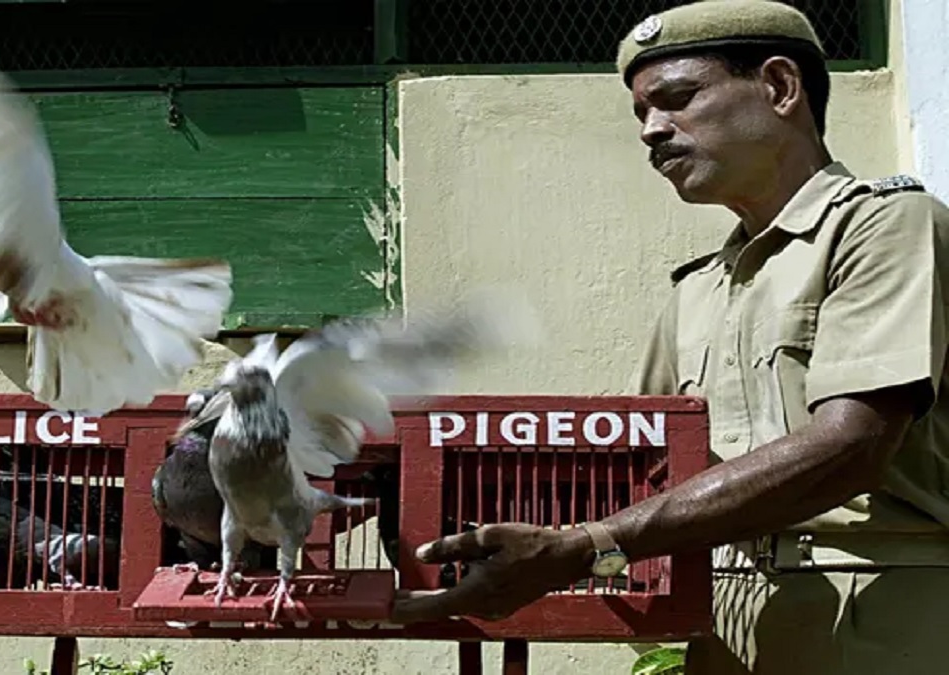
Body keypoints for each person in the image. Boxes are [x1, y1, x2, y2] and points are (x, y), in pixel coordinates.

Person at [389, 1, 949, 672]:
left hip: (878, 617)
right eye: (640, 115)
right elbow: (629, 472)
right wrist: (387, 495)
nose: (652, 131)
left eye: (676, 99)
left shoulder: (888, 226)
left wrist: (589, 543)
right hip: (721, 621)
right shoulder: (699, 289)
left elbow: (851, 445)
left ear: (778, 87)